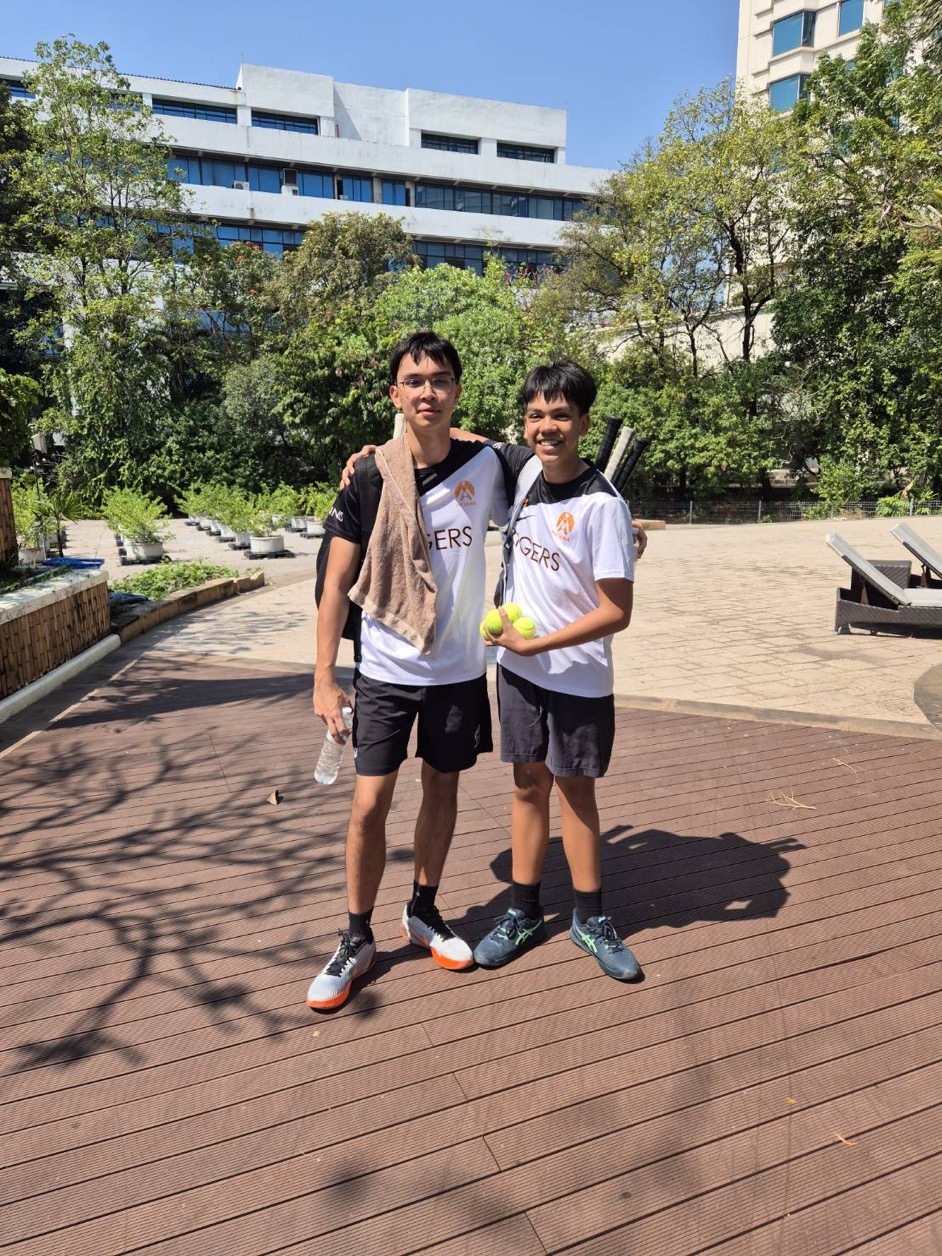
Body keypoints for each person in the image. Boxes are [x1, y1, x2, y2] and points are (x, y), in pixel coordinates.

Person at [307, 330, 519, 1010]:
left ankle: (423, 909)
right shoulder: (370, 475)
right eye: (416, 380)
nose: (429, 391)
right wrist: (323, 677)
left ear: (457, 390)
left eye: (441, 379)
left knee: (442, 788)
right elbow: (335, 584)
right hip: (387, 668)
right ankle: (356, 935)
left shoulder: (488, 465)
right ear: (395, 394)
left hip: (458, 668)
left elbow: (556, 483)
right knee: (370, 803)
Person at [473, 358, 642, 981]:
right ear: (525, 423)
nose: (548, 427)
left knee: (575, 791)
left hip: (576, 676)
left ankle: (590, 918)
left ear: (584, 422)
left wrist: (535, 645)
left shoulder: (603, 506)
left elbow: (617, 611)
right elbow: (457, 437)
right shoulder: (523, 477)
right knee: (526, 786)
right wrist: (375, 449)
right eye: (536, 415)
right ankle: (523, 912)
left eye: (562, 416)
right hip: (519, 673)